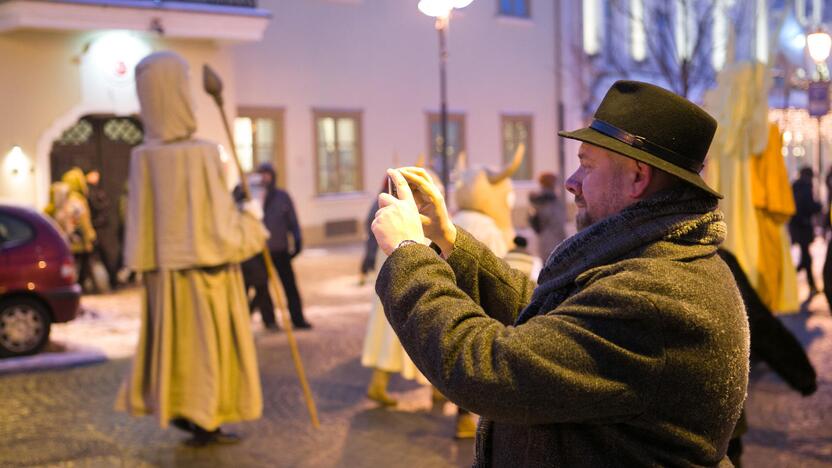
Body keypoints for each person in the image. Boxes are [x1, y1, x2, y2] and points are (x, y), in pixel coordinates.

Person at [371, 81, 749, 466]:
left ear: (638, 178)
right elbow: (553, 322)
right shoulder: (652, 260)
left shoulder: (654, 296)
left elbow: (488, 369)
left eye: (587, 166)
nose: (571, 182)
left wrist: (409, 254)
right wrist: (448, 239)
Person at [115, 51, 267, 446]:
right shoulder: (200, 153)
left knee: (178, 349)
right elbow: (222, 231)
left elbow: (139, 224)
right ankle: (206, 416)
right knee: (206, 351)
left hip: (165, 280)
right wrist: (251, 218)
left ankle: (183, 409)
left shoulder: (142, 156)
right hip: (208, 278)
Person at [254, 162, 312, 329]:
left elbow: (292, 221)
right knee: (262, 287)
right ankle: (269, 320)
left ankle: (297, 318)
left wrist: (298, 240)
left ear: (273, 176)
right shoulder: (255, 196)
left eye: (267, 174)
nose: (265, 177)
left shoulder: (282, 197)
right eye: (262, 174)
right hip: (260, 250)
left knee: (289, 286)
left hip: (280, 249)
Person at [60, 167, 97, 293]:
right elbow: (84, 221)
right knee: (84, 267)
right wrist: (89, 237)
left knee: (76, 266)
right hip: (80, 241)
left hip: (71, 240)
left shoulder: (67, 199)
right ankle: (86, 289)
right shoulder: (78, 201)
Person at [788, 166, 821, 299]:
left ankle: (811, 285)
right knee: (806, 259)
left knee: (805, 257)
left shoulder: (794, 186)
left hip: (796, 227)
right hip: (803, 227)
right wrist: (818, 206)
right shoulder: (806, 188)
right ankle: (791, 279)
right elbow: (809, 207)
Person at [86, 169, 119, 290]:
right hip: (97, 228)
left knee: (105, 255)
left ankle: (112, 281)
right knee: (96, 257)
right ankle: (109, 282)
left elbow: (102, 208)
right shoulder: (91, 192)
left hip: (99, 228)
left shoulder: (95, 192)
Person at [528, 172, 567, 262]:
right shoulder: (549, 200)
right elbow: (557, 221)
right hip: (554, 241)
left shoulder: (539, 200)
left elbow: (534, 222)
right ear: (551, 184)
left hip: (544, 241)